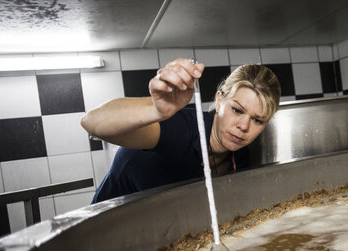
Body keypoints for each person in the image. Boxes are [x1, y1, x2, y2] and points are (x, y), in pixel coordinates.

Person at [81, 58, 281, 203]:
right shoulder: (180, 127)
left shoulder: (240, 153)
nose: (244, 126)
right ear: (219, 101)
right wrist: (156, 110)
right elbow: (92, 122)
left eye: (257, 120)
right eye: (237, 110)